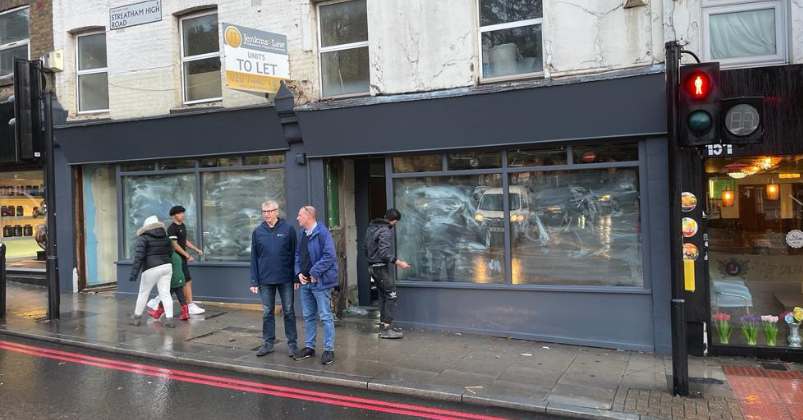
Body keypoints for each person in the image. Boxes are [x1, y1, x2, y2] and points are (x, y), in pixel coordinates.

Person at [249, 200, 298, 358]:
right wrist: (254, 280)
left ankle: (292, 344)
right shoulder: (257, 232)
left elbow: (295, 255)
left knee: (289, 311)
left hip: (285, 279)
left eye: (270, 211)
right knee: (267, 312)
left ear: (277, 212)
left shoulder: (288, 229)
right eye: (264, 212)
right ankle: (268, 343)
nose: (267, 215)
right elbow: (254, 258)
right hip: (265, 279)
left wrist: (296, 278)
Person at [293, 206, 338, 366]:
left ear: (309, 216)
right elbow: (298, 255)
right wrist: (298, 274)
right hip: (305, 282)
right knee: (309, 316)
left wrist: (314, 272)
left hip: (320, 282)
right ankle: (309, 348)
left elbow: (329, 256)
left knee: (325, 316)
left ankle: (328, 350)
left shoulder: (323, 233)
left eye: (300, 215)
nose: (297, 218)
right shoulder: (302, 233)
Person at [149, 206, 206, 315]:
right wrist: (187, 255)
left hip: (181, 258)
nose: (183, 215)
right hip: (177, 259)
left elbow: (184, 241)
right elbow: (175, 245)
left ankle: (158, 303)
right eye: (180, 213)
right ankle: (188, 305)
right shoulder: (172, 228)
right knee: (182, 282)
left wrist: (196, 249)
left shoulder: (182, 226)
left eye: (183, 213)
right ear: (174, 215)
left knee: (179, 283)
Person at [365, 208, 410, 339]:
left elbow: (365, 248)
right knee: (391, 294)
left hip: (372, 267)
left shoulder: (371, 228)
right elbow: (384, 253)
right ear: (394, 221)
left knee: (383, 296)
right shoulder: (385, 231)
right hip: (379, 267)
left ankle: (384, 325)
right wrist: (399, 262)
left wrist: (371, 262)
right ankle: (386, 328)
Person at [129, 215, 175, 327]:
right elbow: (171, 251)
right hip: (167, 266)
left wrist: (134, 274)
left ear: (146, 227)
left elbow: (139, 256)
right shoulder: (166, 237)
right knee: (165, 294)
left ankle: (136, 318)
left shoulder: (143, 238)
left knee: (143, 293)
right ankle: (169, 320)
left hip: (151, 268)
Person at [148, 246, 190, 321]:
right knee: (181, 296)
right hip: (180, 279)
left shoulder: (168, 257)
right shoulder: (177, 256)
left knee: (165, 296)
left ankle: (157, 313)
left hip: (172, 280)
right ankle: (185, 313)